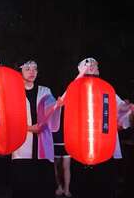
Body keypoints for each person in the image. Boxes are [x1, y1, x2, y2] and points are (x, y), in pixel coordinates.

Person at [70, 57, 133, 198]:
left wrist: (126, 108)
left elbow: (121, 112)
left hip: (104, 150)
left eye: (94, 64)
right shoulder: (75, 88)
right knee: (83, 188)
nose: (91, 66)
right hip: (81, 149)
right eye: (88, 64)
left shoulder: (106, 89)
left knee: (104, 187)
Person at [10, 60, 61, 198]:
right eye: (27, 68)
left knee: (43, 189)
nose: (32, 72)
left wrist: (57, 106)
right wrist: (28, 128)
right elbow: (8, 120)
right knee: (22, 188)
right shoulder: (12, 93)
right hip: (21, 148)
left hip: (43, 149)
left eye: (34, 69)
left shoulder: (45, 91)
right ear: (19, 72)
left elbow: (51, 113)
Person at [53, 106, 72, 197]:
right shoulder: (52, 104)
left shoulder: (70, 107)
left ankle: (67, 189)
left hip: (67, 140)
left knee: (66, 166)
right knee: (57, 166)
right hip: (55, 139)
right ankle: (60, 187)